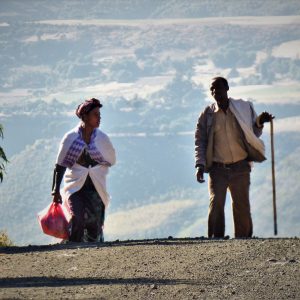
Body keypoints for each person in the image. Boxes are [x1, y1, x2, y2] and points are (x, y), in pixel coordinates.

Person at [195, 77, 274, 238]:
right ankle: (215, 239)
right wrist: (200, 165)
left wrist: (260, 122)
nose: (215, 92)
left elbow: (253, 132)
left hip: (240, 167)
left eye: (219, 88)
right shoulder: (208, 115)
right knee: (216, 202)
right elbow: (200, 140)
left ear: (227, 88)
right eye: (212, 89)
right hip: (218, 168)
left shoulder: (242, 108)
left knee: (241, 205)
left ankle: (243, 241)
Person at [51, 98, 116, 242]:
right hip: (75, 187)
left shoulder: (102, 139)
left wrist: (94, 165)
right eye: (95, 114)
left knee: (95, 224)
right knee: (77, 218)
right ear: (85, 117)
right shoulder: (71, 138)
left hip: (95, 188)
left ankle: (92, 253)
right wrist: (56, 190)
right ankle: (73, 247)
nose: (99, 118)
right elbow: (60, 165)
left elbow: (111, 159)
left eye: (99, 114)